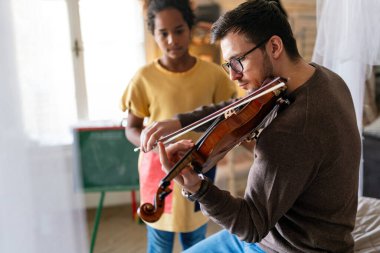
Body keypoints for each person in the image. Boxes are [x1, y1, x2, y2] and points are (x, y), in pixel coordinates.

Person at [143, 0, 362, 252]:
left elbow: (251, 226)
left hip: (288, 246)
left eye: (238, 62)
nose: (233, 76)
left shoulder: (288, 131)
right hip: (317, 233)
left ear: (275, 46)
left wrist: (196, 187)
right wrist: (180, 121)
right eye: (228, 65)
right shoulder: (325, 78)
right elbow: (240, 106)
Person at [120, 0, 236, 252]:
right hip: (157, 169)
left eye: (179, 30)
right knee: (159, 242)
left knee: (195, 240)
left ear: (190, 28)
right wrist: (154, 144)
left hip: (198, 165)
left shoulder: (214, 75)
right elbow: (131, 128)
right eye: (163, 33)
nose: (172, 40)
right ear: (154, 34)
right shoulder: (143, 78)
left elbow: (229, 119)